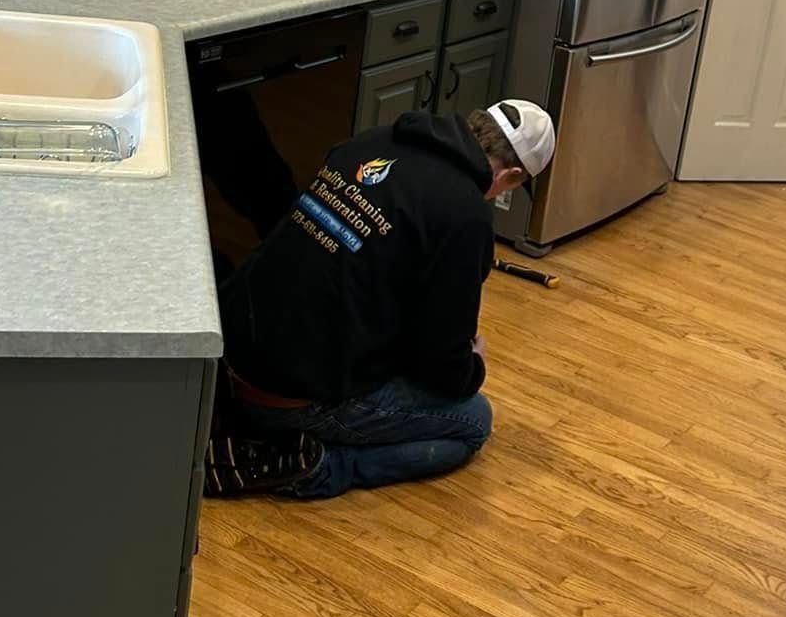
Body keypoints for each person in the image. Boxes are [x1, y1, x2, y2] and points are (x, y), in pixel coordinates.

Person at [204, 97, 555, 500]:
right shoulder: (465, 216)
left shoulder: (375, 140)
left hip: (229, 352)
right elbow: (442, 369)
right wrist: (472, 364)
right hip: (288, 394)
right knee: (472, 421)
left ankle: (257, 429)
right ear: (510, 175)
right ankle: (316, 467)